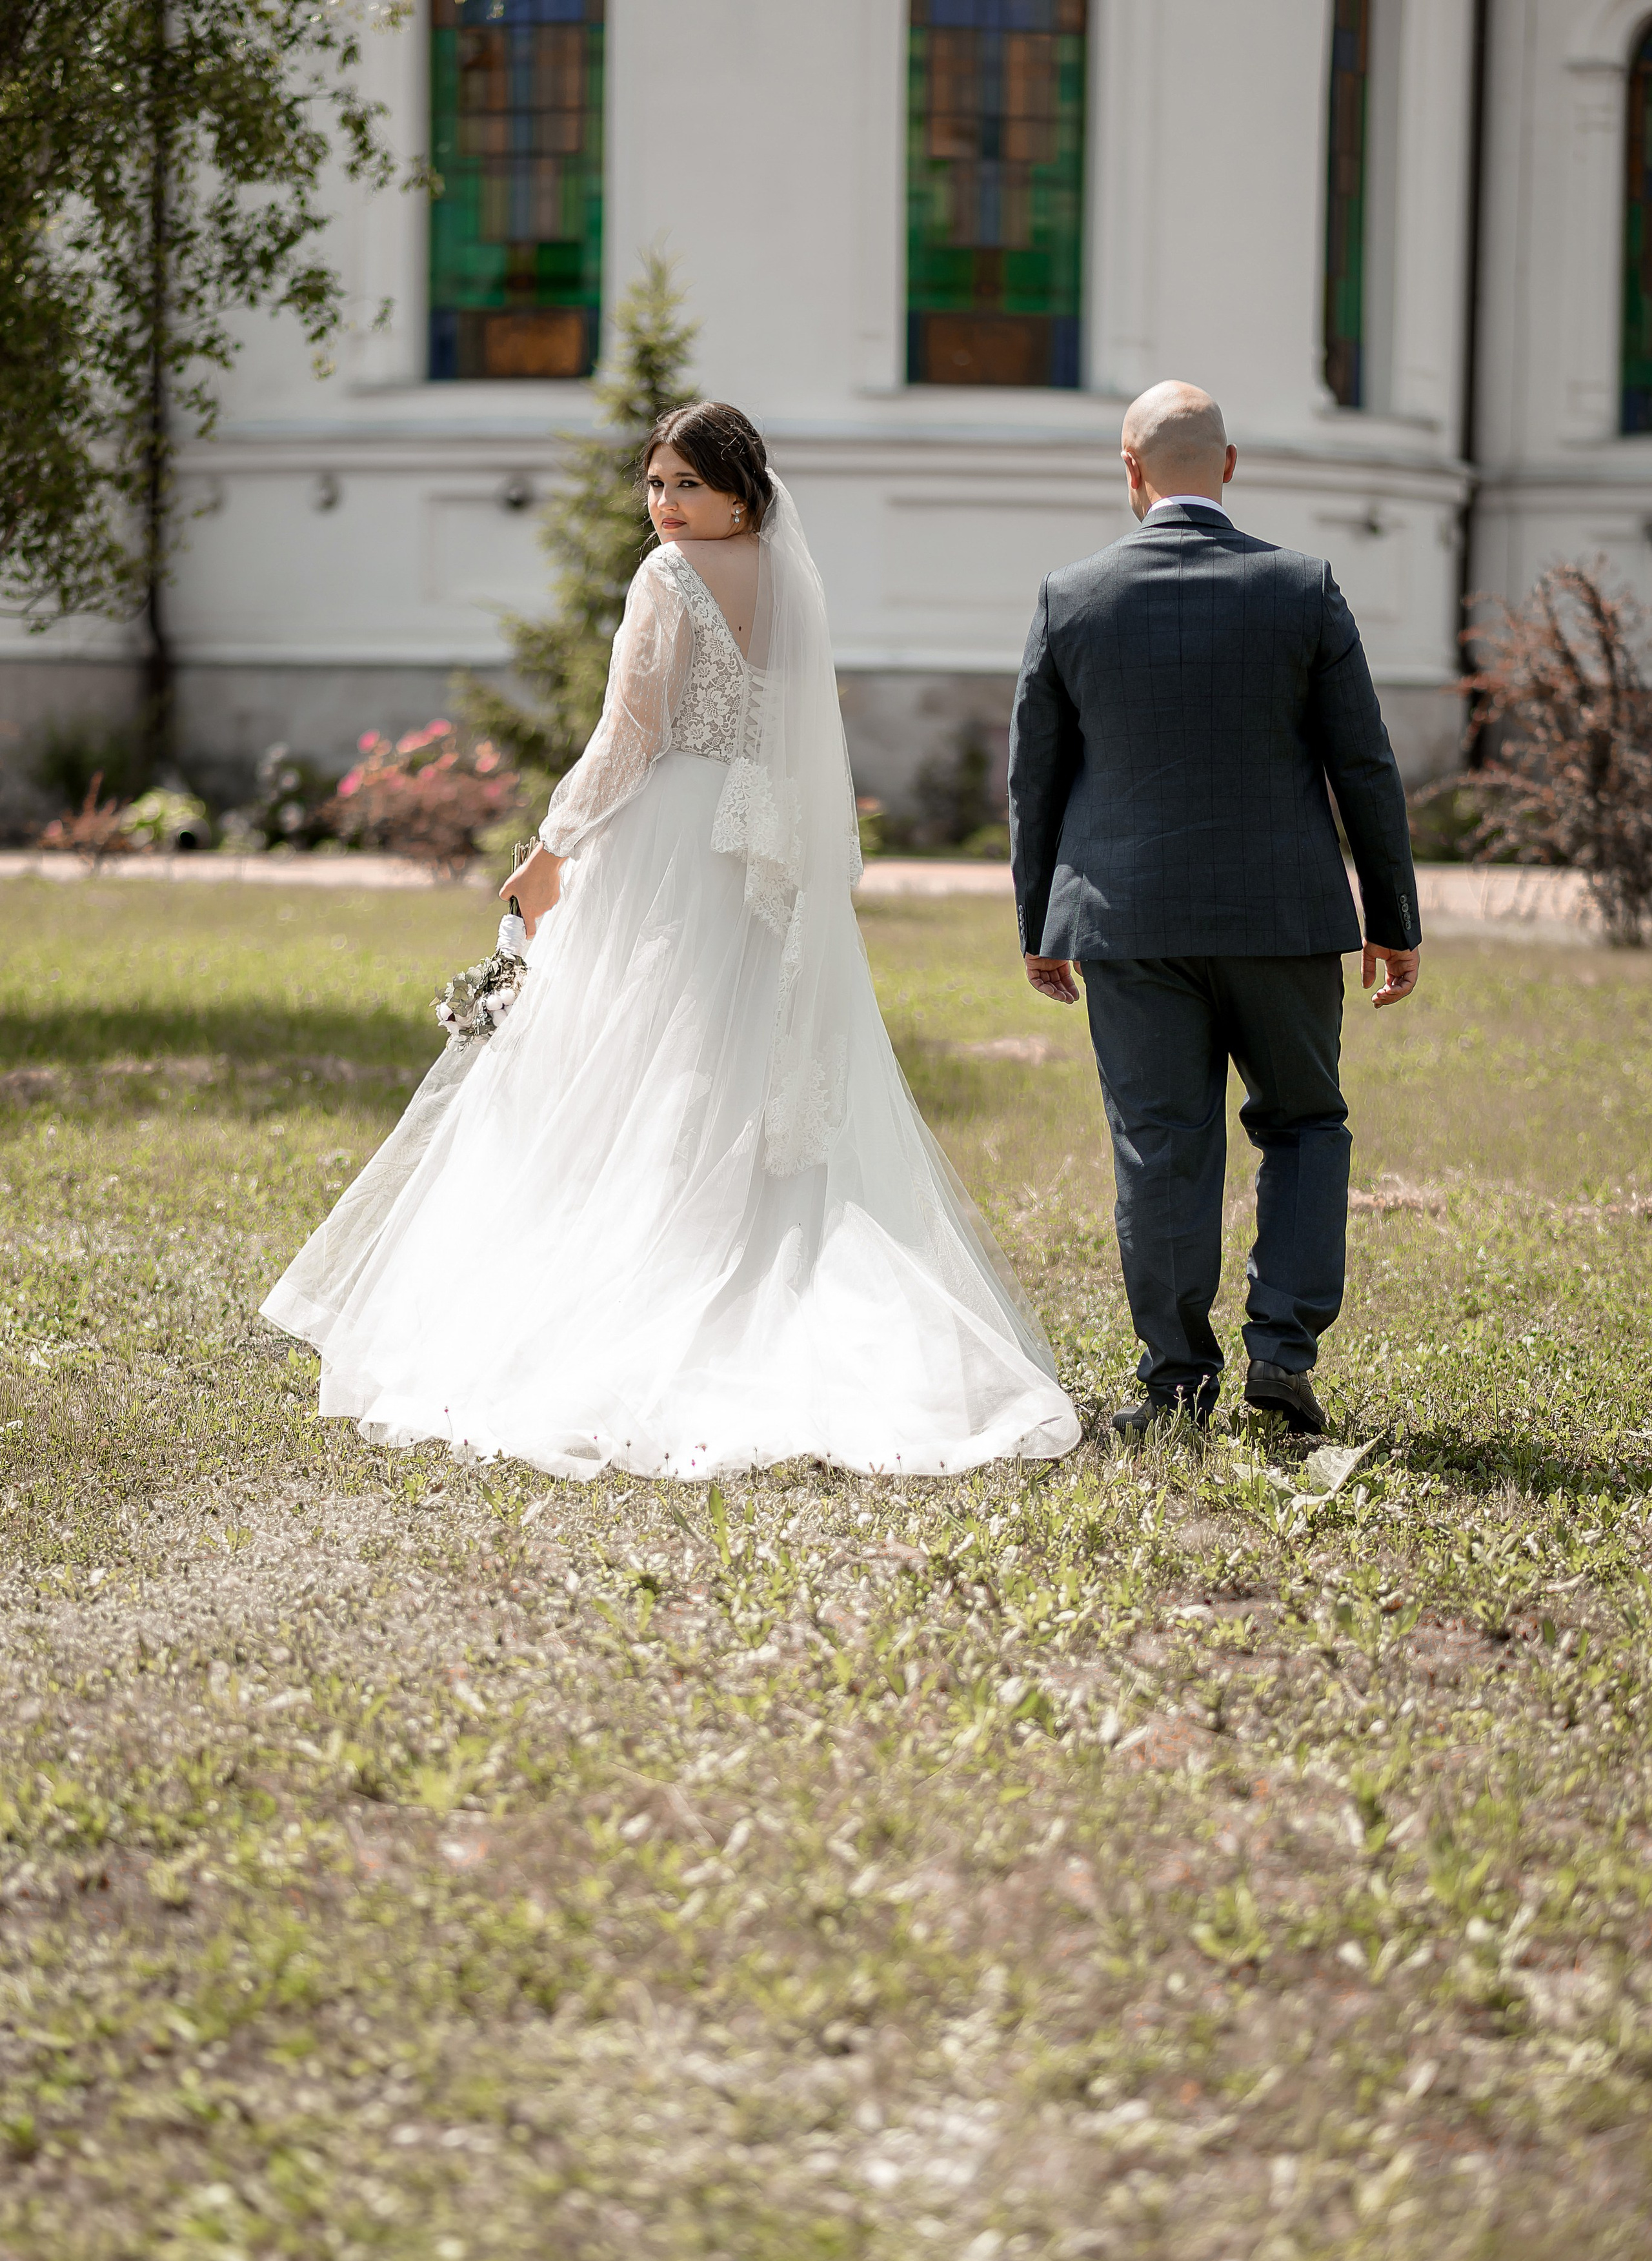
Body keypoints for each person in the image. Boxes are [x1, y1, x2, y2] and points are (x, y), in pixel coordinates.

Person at [263, 402, 1079, 1479]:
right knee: (729, 1053)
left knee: (635, 1049)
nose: (665, 504)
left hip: (673, 836)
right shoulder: (788, 579)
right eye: (655, 484)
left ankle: (641, 1267)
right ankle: (731, 1256)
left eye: (688, 483)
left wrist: (552, 848)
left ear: (741, 491)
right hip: (763, 841)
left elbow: (631, 733)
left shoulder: (669, 577)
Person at [1008, 381, 1420, 1441]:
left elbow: (1035, 780)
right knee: (1305, 1124)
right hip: (1283, 920)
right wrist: (1393, 916)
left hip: (1127, 923)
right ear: (1228, 467)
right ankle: (1282, 1353)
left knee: (1159, 1145)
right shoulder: (1302, 587)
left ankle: (1175, 1384)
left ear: (1129, 469)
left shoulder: (1071, 596)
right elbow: (1364, 764)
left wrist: (1038, 924)